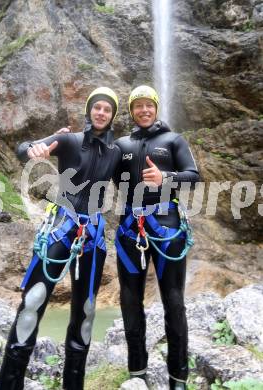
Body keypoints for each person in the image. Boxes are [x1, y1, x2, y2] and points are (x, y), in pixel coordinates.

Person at [0, 87, 121, 390]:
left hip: (92, 234)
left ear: (113, 115)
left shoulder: (118, 153)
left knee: (87, 313)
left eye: (107, 109)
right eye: (97, 107)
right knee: (33, 302)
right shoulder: (68, 140)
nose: (101, 112)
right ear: (89, 111)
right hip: (61, 227)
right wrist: (33, 150)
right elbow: (23, 147)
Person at [114, 85, 200, 390]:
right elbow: (95, 169)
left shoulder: (173, 140)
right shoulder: (120, 144)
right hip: (129, 229)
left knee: (174, 301)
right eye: (138, 106)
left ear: (156, 107)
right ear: (132, 111)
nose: (144, 110)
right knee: (129, 300)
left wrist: (167, 178)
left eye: (148, 105)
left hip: (167, 228)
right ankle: (137, 371)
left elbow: (194, 175)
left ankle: (178, 377)